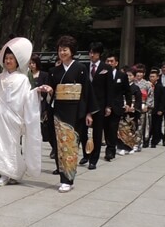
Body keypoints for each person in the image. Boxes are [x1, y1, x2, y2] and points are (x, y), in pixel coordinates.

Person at [0, 37, 43, 186]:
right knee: (1, 144)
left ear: (17, 61)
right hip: (1, 117)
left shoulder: (23, 79)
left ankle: (12, 172)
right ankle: (6, 173)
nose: (8, 61)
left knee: (12, 145)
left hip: (13, 117)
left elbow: (26, 97)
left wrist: (36, 92)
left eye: (11, 58)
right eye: (6, 58)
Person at [45, 35, 96, 193]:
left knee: (71, 145)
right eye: (60, 50)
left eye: (65, 49)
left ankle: (69, 178)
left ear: (72, 51)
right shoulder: (54, 71)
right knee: (61, 145)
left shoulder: (80, 68)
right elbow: (51, 94)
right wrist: (48, 91)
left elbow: (86, 91)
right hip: (59, 110)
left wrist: (89, 113)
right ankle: (64, 178)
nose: (62, 52)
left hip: (76, 110)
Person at [79, 42, 111, 169]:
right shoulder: (83, 67)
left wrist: (108, 105)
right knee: (83, 132)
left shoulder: (106, 68)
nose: (91, 55)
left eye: (94, 53)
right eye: (90, 52)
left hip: (99, 104)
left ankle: (94, 159)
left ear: (99, 54)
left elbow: (109, 88)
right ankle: (86, 154)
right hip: (84, 103)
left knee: (97, 132)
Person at [103, 53, 128, 161]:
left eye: (111, 61)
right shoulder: (102, 74)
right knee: (105, 129)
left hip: (117, 106)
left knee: (113, 129)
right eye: (107, 61)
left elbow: (127, 91)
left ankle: (110, 151)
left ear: (116, 63)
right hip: (104, 106)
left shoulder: (121, 75)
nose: (109, 63)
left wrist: (128, 103)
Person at [29, 53, 53, 151]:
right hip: (30, 103)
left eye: (34, 63)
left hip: (42, 102)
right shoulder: (26, 75)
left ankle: (53, 147)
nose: (32, 65)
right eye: (30, 63)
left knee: (45, 126)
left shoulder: (44, 75)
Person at [116, 66, 141, 155]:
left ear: (134, 77)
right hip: (122, 109)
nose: (128, 77)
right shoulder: (121, 86)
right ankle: (120, 146)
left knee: (130, 129)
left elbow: (138, 100)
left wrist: (134, 107)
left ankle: (130, 146)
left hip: (131, 112)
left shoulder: (136, 88)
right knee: (121, 129)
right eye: (127, 75)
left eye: (130, 75)